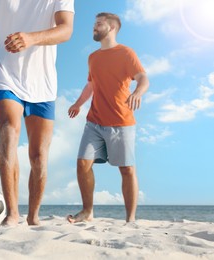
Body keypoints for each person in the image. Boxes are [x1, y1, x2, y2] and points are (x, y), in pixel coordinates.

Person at [0, 0, 74, 226]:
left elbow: (66, 29)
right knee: (8, 133)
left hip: (43, 85)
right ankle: (12, 213)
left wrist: (31, 38)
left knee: (39, 155)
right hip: (5, 77)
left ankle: (33, 216)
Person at [67, 12, 149, 223]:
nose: (94, 27)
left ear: (111, 28)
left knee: (127, 170)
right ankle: (87, 211)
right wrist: (78, 103)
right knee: (82, 164)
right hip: (94, 122)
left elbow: (143, 78)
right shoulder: (92, 57)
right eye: (94, 24)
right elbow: (91, 85)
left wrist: (137, 93)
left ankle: (130, 219)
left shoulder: (126, 53)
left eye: (98, 24)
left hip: (121, 122)